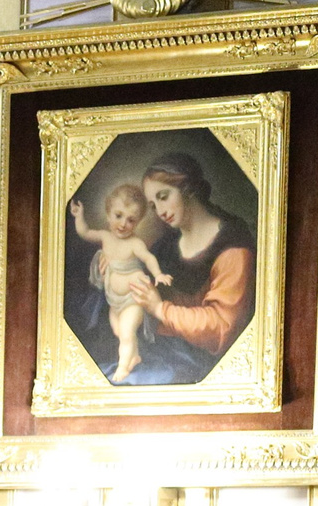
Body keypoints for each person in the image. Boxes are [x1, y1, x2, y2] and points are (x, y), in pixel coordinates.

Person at [114, 151, 256, 385]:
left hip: (200, 367)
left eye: (163, 196)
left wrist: (160, 309)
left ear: (188, 188)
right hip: (156, 352)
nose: (159, 211)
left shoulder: (232, 246)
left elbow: (221, 326)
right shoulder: (165, 245)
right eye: (153, 205)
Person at [69, 183, 174, 383]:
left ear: (137, 223)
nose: (124, 223)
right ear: (108, 214)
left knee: (126, 332)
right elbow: (84, 233)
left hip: (132, 299)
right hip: (114, 301)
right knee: (119, 332)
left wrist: (158, 274)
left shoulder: (135, 243)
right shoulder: (105, 236)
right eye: (118, 216)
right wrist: (78, 216)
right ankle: (134, 356)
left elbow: (149, 258)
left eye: (131, 220)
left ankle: (123, 367)